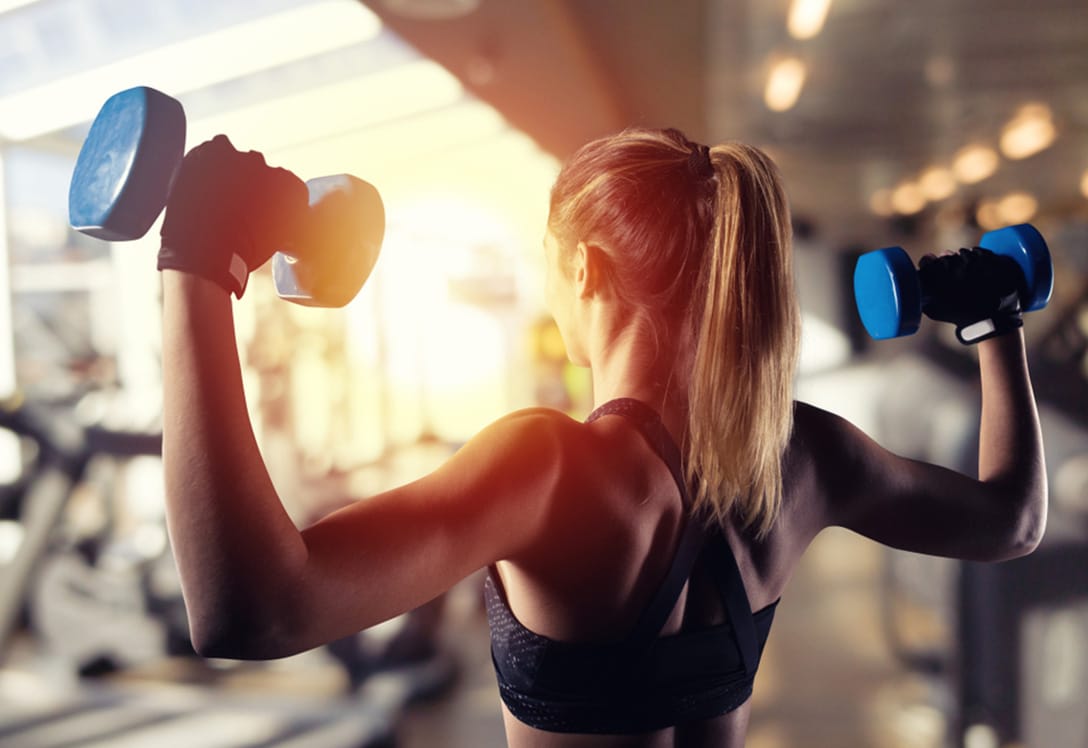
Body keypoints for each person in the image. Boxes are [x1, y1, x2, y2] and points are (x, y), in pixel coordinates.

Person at [156, 128, 1047, 746]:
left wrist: (197, 264)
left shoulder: (546, 470)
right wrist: (993, 324)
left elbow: (252, 611)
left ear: (586, 269)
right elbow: (1011, 523)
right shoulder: (806, 455)